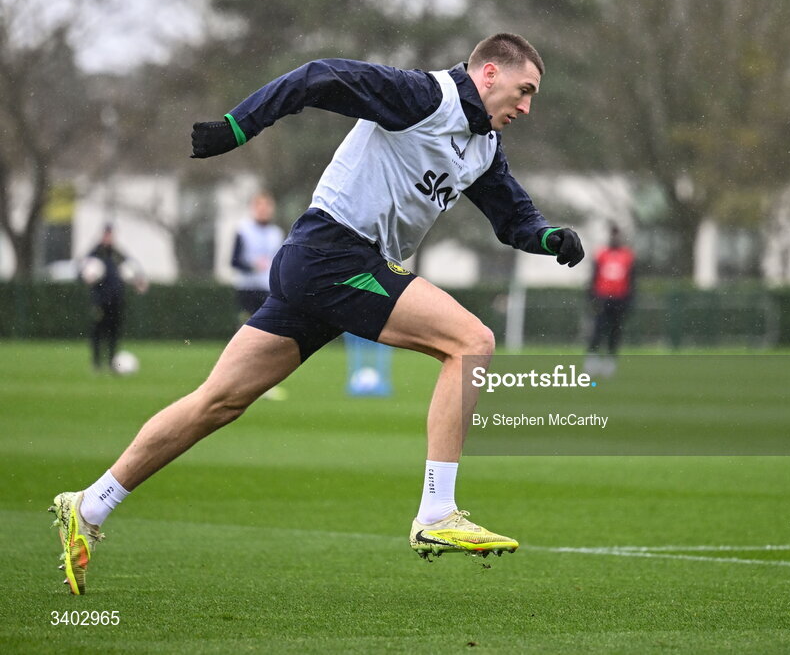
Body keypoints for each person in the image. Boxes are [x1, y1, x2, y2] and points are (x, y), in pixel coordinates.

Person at [49, 33, 584, 594]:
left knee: (218, 402)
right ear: (490, 74)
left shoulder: (482, 148)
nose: (526, 108)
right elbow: (318, 76)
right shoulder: (424, 97)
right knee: (471, 342)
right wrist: (238, 126)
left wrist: (551, 238)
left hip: (323, 269)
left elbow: (512, 217)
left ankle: (89, 504)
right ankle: (436, 513)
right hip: (333, 255)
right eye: (524, 91)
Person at [82, 225, 147, 372]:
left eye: (111, 235)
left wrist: (139, 281)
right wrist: (86, 277)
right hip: (99, 301)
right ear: (102, 236)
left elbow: (131, 268)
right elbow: (81, 271)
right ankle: (96, 363)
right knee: (97, 331)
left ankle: (111, 362)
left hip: (117, 300)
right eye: (106, 235)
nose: (109, 238)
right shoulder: (95, 253)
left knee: (114, 332)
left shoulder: (117, 253)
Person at [585, 223, 635, 376]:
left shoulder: (627, 256)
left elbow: (632, 281)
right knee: (598, 330)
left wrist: (630, 300)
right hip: (603, 298)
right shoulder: (601, 254)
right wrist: (591, 298)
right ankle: (592, 360)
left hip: (620, 299)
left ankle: (610, 361)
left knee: (615, 331)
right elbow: (593, 278)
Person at [231, 192, 285, 321]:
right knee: (247, 323)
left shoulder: (276, 233)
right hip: (247, 287)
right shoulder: (243, 230)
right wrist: (252, 267)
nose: (263, 209)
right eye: (259, 205)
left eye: (267, 205)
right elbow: (234, 261)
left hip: (268, 288)